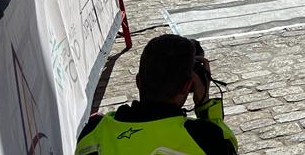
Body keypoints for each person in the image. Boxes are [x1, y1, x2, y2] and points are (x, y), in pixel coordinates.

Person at [76, 33, 237, 154]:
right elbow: (228, 146)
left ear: (138, 81)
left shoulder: (92, 131)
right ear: (187, 87)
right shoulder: (205, 139)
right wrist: (205, 104)